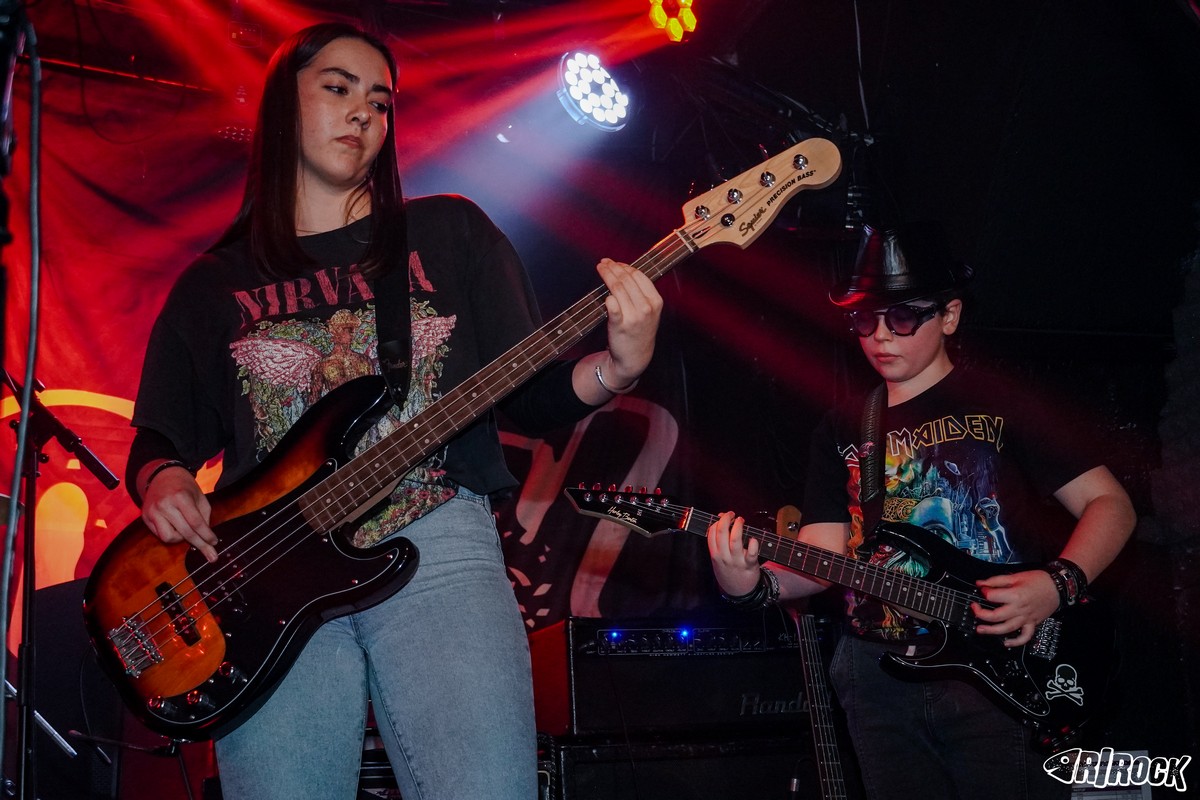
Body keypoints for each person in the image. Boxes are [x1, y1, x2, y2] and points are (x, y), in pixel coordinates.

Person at [124, 22, 662, 800]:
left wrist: (619, 366)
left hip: (437, 538)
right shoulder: (213, 285)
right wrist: (164, 479)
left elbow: (531, 394)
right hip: (267, 573)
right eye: (337, 88)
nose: (364, 113)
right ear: (281, 107)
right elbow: (160, 437)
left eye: (379, 101)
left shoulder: (450, 233)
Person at [707, 223, 1136, 800]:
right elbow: (822, 558)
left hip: (999, 663)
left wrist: (1057, 584)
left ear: (950, 316)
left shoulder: (1003, 403)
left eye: (904, 317)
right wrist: (748, 584)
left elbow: (1111, 505)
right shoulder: (842, 427)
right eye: (865, 321)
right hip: (877, 674)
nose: (881, 335)